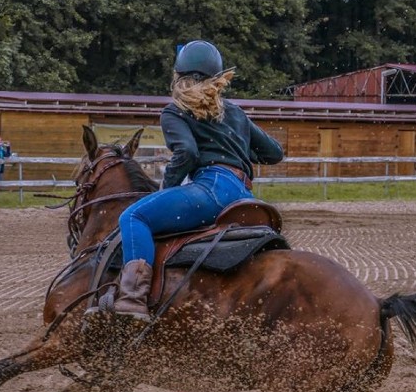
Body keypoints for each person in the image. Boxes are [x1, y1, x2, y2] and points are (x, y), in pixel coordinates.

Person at [87, 40, 284, 325]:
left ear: (178, 76)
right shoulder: (235, 112)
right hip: (244, 195)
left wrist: (167, 189)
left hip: (211, 190)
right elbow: (274, 153)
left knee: (134, 215)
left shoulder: (174, 111)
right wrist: (237, 149)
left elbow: (187, 153)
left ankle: (132, 299)